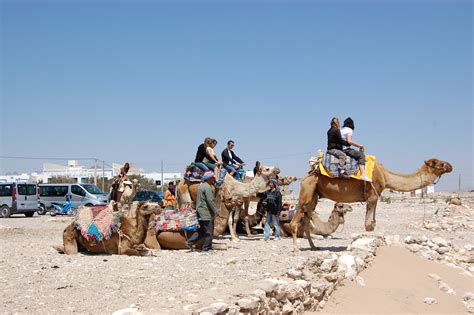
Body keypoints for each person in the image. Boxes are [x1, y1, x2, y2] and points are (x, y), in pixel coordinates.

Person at [186, 171, 218, 252]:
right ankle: (206, 248)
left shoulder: (201, 186)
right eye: (212, 178)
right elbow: (210, 200)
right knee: (209, 232)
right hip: (206, 212)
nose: (213, 180)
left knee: (202, 231)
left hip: (200, 211)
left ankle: (190, 242)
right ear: (209, 179)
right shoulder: (207, 187)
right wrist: (215, 210)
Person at [340, 117, 371, 181]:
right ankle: (363, 175)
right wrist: (360, 146)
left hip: (339, 149)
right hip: (345, 150)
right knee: (361, 155)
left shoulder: (341, 130)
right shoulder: (349, 130)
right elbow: (349, 141)